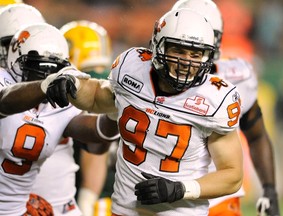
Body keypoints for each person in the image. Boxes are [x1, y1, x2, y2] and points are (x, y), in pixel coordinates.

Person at [41, 9, 243, 215]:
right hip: (125, 209)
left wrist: (181, 189)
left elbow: (232, 175)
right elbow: (96, 96)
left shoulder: (216, 98)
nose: (186, 62)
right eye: (178, 51)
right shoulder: (133, 69)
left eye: (195, 54)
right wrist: (72, 81)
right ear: (158, 46)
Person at [172, 0, 280, 216]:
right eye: (180, 45)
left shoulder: (236, 77)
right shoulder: (142, 76)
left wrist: (269, 189)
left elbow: (256, 134)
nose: (189, 54)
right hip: (166, 199)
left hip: (219, 199)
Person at [0, 22, 118, 216]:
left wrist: (115, 113)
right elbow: (4, 102)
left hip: (20, 207)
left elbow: (95, 135)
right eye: (38, 67)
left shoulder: (61, 93)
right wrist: (44, 86)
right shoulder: (5, 80)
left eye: (54, 70)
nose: (47, 74)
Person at [59, 20, 115, 216]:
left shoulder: (81, 85)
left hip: (96, 200)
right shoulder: (115, 80)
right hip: (119, 194)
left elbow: (95, 150)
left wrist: (86, 202)